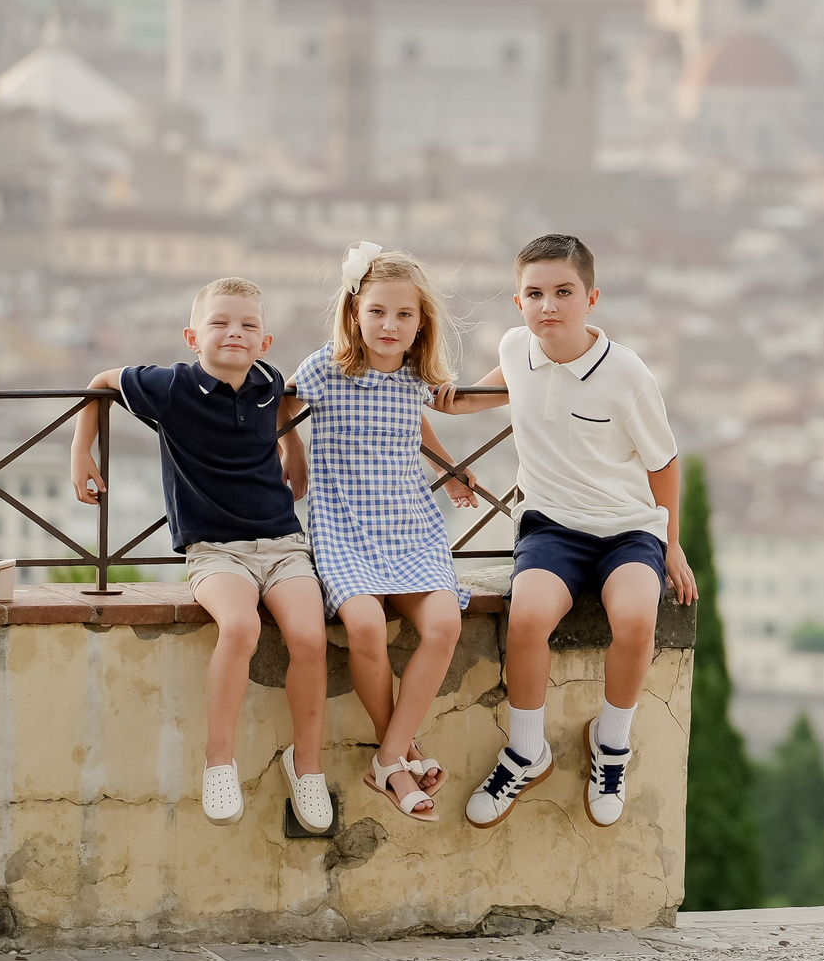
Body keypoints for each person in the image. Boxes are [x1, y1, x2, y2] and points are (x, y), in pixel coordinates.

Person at [436, 233, 693, 830]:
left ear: (591, 298)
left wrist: (672, 543)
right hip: (550, 527)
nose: (548, 305)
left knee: (635, 618)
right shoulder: (515, 347)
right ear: (518, 302)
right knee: (526, 618)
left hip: (628, 529)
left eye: (563, 292)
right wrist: (445, 400)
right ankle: (527, 751)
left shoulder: (627, 374)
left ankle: (611, 742)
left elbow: (664, 463)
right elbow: (499, 387)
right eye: (534, 293)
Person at [67, 276, 334, 833]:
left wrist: (293, 448)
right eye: (219, 323)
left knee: (310, 638)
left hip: (283, 543)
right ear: (193, 336)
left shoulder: (267, 380)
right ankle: (219, 761)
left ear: (265, 342)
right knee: (239, 628)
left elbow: (281, 403)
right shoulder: (172, 387)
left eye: (247, 326)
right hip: (215, 550)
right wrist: (80, 454)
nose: (233, 333)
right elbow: (100, 382)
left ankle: (306, 765)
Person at [293, 243, 481, 823]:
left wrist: (447, 469)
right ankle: (395, 757)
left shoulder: (415, 376)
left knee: (444, 623)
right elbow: (280, 407)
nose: (389, 325)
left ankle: (389, 758)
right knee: (366, 626)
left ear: (421, 321)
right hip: (344, 523)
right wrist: (290, 455)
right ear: (355, 312)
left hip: (409, 525)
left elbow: (413, 421)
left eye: (403, 315)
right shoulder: (325, 366)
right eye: (377, 312)